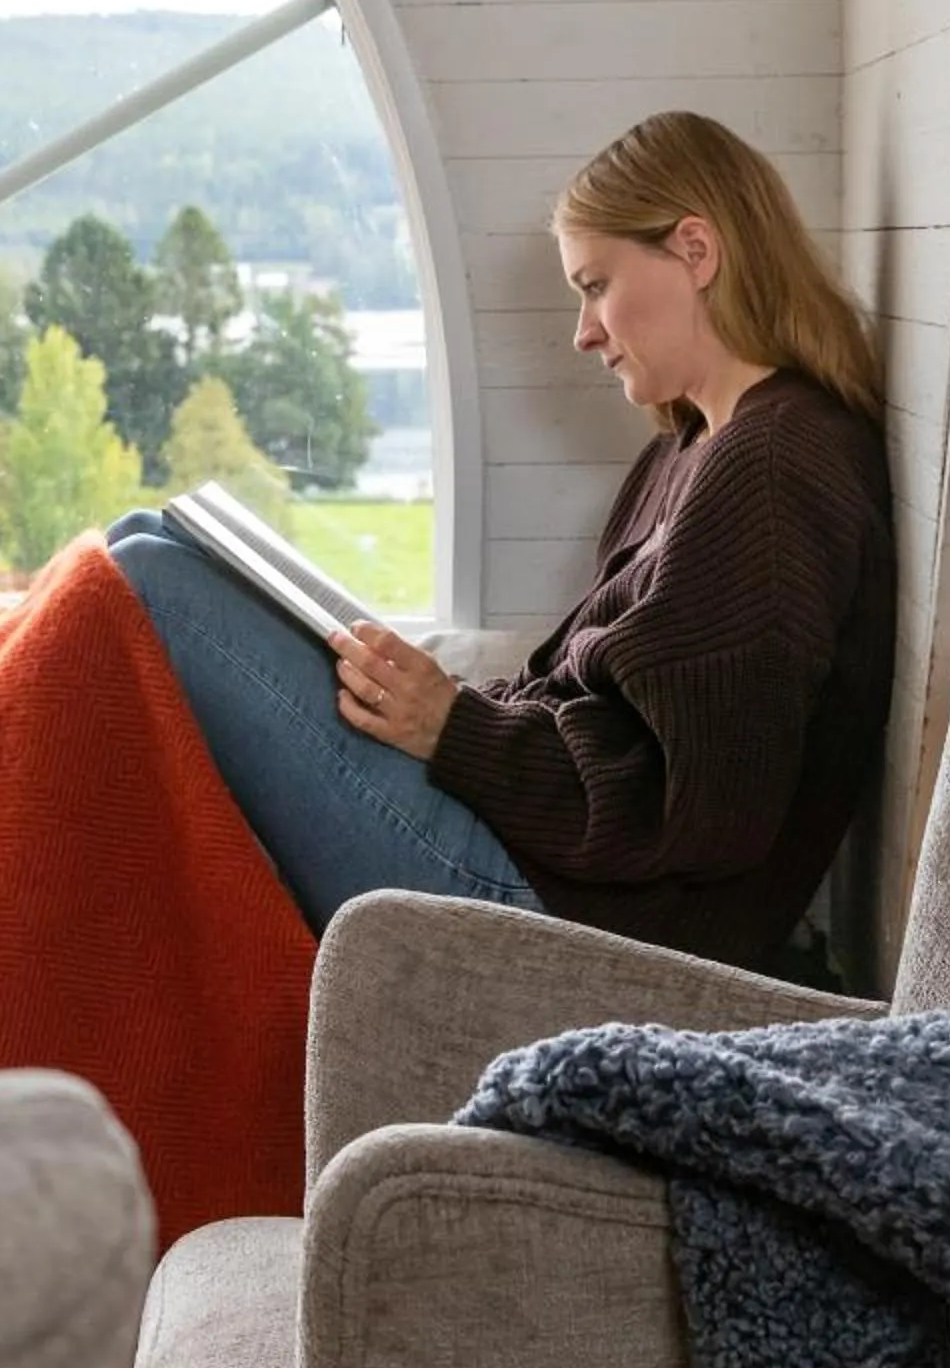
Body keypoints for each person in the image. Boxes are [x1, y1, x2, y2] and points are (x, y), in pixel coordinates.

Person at [110, 110, 894, 971]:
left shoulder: (774, 467)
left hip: (591, 914)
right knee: (153, 538)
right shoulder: (687, 448)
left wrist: (456, 730)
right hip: (549, 860)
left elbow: (706, 815)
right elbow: (597, 701)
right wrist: (450, 707)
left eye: (596, 284)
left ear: (696, 251)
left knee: (152, 579)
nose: (584, 331)